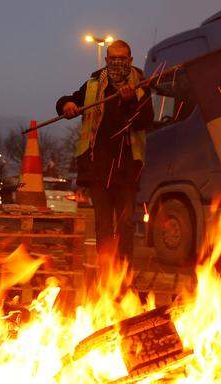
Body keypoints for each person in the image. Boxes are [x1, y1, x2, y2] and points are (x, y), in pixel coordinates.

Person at [56, 40, 154, 261]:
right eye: (113, 58)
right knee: (103, 225)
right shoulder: (93, 84)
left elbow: (146, 121)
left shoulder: (141, 85)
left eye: (122, 58)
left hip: (127, 170)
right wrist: (66, 106)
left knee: (126, 225)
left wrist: (130, 103)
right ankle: (106, 275)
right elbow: (69, 100)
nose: (118, 62)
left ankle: (123, 276)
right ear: (106, 60)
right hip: (98, 169)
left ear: (130, 60)